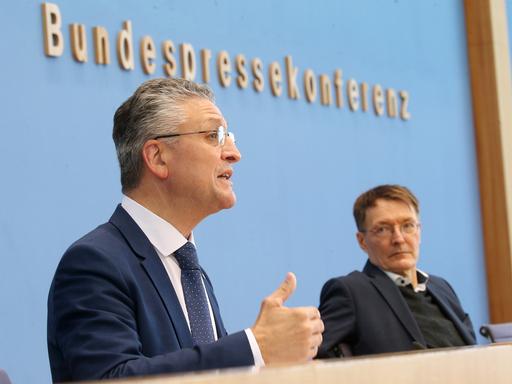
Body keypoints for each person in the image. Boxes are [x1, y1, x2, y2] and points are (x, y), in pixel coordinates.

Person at [47, 78, 324, 382]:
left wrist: (269, 367)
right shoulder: (94, 263)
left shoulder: (189, 268)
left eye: (228, 135)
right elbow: (111, 378)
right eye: (213, 135)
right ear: (157, 157)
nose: (234, 153)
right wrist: (255, 347)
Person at [318, 184, 475, 358]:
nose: (399, 239)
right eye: (383, 229)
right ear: (362, 241)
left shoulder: (442, 288)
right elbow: (317, 358)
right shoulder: (351, 291)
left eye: (408, 226)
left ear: (419, 231)